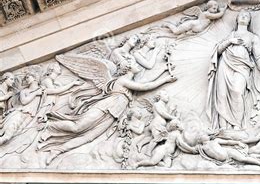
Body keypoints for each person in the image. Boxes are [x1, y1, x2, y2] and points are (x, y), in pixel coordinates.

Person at [38, 57, 176, 165]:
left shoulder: (130, 83)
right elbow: (145, 85)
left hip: (114, 114)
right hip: (106, 106)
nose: (137, 65)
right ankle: (49, 126)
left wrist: (163, 69)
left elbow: (147, 82)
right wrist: (165, 80)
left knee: (88, 137)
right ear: (127, 67)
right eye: (133, 63)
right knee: (77, 127)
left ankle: (57, 151)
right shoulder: (122, 80)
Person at [207, 10, 260, 131]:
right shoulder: (231, 35)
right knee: (222, 95)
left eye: (247, 16)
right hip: (225, 64)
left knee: (237, 92)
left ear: (249, 21)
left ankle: (237, 126)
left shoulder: (253, 37)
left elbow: (259, 57)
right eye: (241, 15)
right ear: (237, 18)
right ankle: (223, 127)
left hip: (242, 67)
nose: (244, 17)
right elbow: (217, 51)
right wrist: (229, 42)